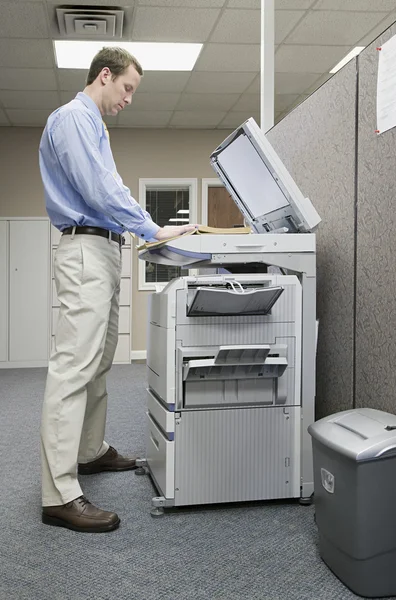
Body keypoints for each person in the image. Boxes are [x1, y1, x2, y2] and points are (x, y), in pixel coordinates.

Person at [39, 47, 195, 533]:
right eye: (127, 88)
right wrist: (151, 228)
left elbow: (109, 185)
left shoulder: (96, 128)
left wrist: (141, 230)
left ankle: (88, 452)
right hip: (85, 249)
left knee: (99, 361)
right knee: (73, 367)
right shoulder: (71, 120)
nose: (129, 98)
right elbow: (98, 189)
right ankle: (58, 494)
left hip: (104, 249)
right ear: (104, 76)